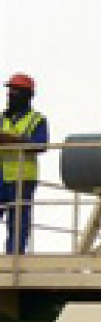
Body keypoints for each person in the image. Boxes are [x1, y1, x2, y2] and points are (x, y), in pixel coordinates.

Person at [0, 74, 49, 254]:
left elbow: (41, 145)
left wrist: (10, 140)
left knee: (18, 223)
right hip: (1, 176)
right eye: (9, 91)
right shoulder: (1, 118)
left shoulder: (37, 120)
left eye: (15, 91)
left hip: (22, 178)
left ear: (27, 95)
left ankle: (14, 259)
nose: (11, 95)